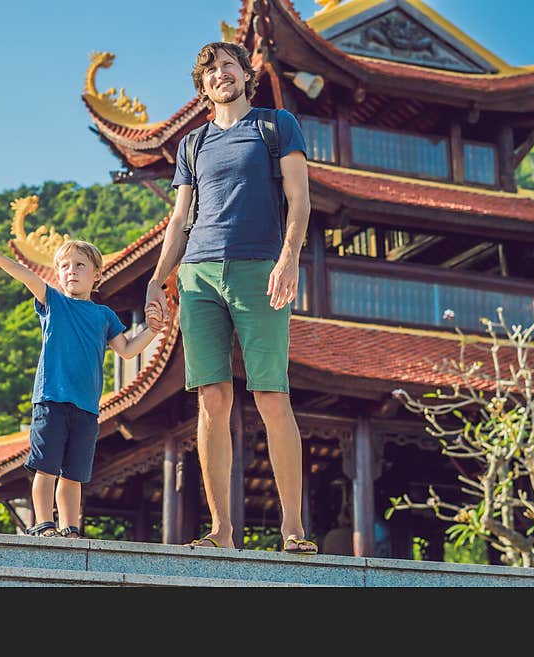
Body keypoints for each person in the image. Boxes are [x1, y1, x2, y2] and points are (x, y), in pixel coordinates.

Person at [144, 42, 317, 554]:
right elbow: (179, 221)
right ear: (202, 87)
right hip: (198, 274)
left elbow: (300, 200)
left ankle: (292, 528)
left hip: (258, 268)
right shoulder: (192, 144)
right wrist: (159, 277)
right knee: (211, 399)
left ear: (246, 74)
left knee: (271, 396)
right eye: (211, 71)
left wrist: (288, 259)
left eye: (228, 66)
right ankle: (221, 531)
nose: (220, 75)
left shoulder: (275, 124)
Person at [0, 237, 163, 538]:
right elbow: (29, 278)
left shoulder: (105, 316)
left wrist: (152, 331)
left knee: (73, 475)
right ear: (58, 273)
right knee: (46, 467)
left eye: (80, 265)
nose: (71, 271)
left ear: (97, 274)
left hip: (87, 408)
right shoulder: (53, 302)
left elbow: (128, 350)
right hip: (51, 399)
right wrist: (2, 261)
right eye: (64, 266)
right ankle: (42, 523)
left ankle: (70, 527)